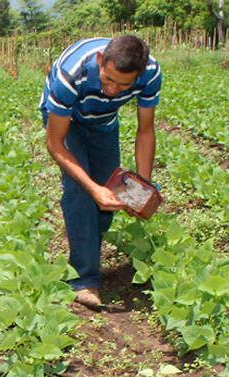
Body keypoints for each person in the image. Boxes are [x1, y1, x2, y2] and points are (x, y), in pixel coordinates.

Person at [40, 35, 162, 308]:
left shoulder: (150, 74)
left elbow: (145, 130)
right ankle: (84, 280)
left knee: (112, 191)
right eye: (107, 79)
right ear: (99, 61)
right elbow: (54, 144)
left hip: (104, 121)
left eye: (123, 85)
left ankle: (87, 245)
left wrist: (142, 188)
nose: (112, 90)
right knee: (81, 192)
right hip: (65, 121)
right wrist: (92, 188)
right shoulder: (70, 74)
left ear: (139, 76)